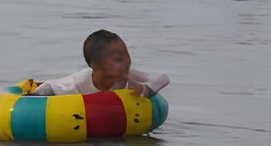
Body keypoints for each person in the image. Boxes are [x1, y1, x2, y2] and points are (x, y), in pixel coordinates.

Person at [32, 30, 169, 97]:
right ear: (94, 65)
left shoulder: (125, 79)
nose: (126, 63)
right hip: (48, 89)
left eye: (126, 55)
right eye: (117, 60)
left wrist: (146, 90)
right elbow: (48, 89)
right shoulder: (75, 85)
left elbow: (160, 81)